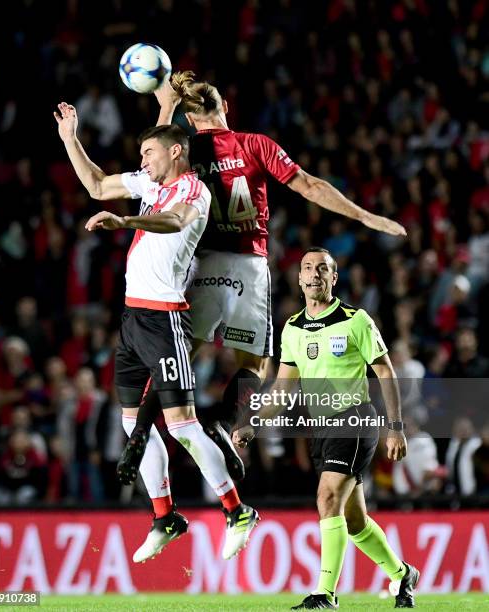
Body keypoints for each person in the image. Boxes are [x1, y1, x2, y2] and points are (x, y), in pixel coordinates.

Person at [118, 71, 407, 485]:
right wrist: (365, 216)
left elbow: (158, 153)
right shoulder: (254, 145)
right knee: (254, 362)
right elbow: (308, 185)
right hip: (248, 265)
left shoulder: (185, 150)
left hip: (201, 268)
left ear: (191, 119)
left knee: (177, 360)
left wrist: (166, 96)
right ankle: (224, 422)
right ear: (225, 108)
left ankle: (140, 433)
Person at [54, 102, 259, 562]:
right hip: (132, 320)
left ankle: (237, 510)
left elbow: (174, 222)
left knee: (182, 426)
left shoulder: (195, 191)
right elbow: (97, 185)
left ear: (176, 152)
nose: (143, 161)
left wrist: (125, 221)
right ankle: (165, 517)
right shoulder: (150, 183)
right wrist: (71, 138)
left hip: (166, 319)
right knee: (133, 427)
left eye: (150, 152)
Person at [234, 247, 419, 609]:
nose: (314, 274)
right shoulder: (292, 328)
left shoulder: (356, 320)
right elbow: (284, 387)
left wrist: (395, 428)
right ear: (299, 279)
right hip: (322, 429)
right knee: (354, 522)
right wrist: (253, 423)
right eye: (307, 268)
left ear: (334, 278)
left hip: (354, 419)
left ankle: (325, 594)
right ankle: (402, 574)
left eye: (323, 268)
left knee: (327, 498)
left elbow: (385, 371)